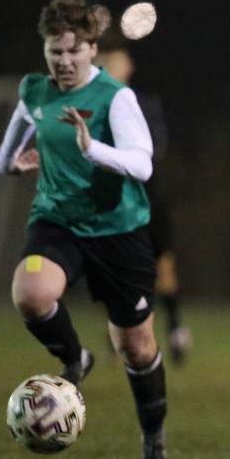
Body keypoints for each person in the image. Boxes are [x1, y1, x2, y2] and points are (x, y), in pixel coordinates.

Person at [0, 0, 169, 459]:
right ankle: (75, 359)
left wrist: (93, 149)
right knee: (31, 292)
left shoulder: (115, 98)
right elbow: (6, 153)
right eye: (55, 51)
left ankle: (153, 439)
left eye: (74, 50)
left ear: (92, 48)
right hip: (57, 222)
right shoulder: (34, 90)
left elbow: (142, 162)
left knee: (136, 348)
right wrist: (11, 163)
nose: (64, 61)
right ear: (46, 49)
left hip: (119, 231)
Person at [96, 29, 192, 365]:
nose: (110, 66)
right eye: (104, 61)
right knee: (119, 269)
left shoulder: (141, 103)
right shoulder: (94, 103)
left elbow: (151, 151)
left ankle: (176, 328)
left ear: (128, 65)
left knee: (163, 266)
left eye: (115, 60)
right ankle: (124, 329)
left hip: (148, 198)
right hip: (113, 202)